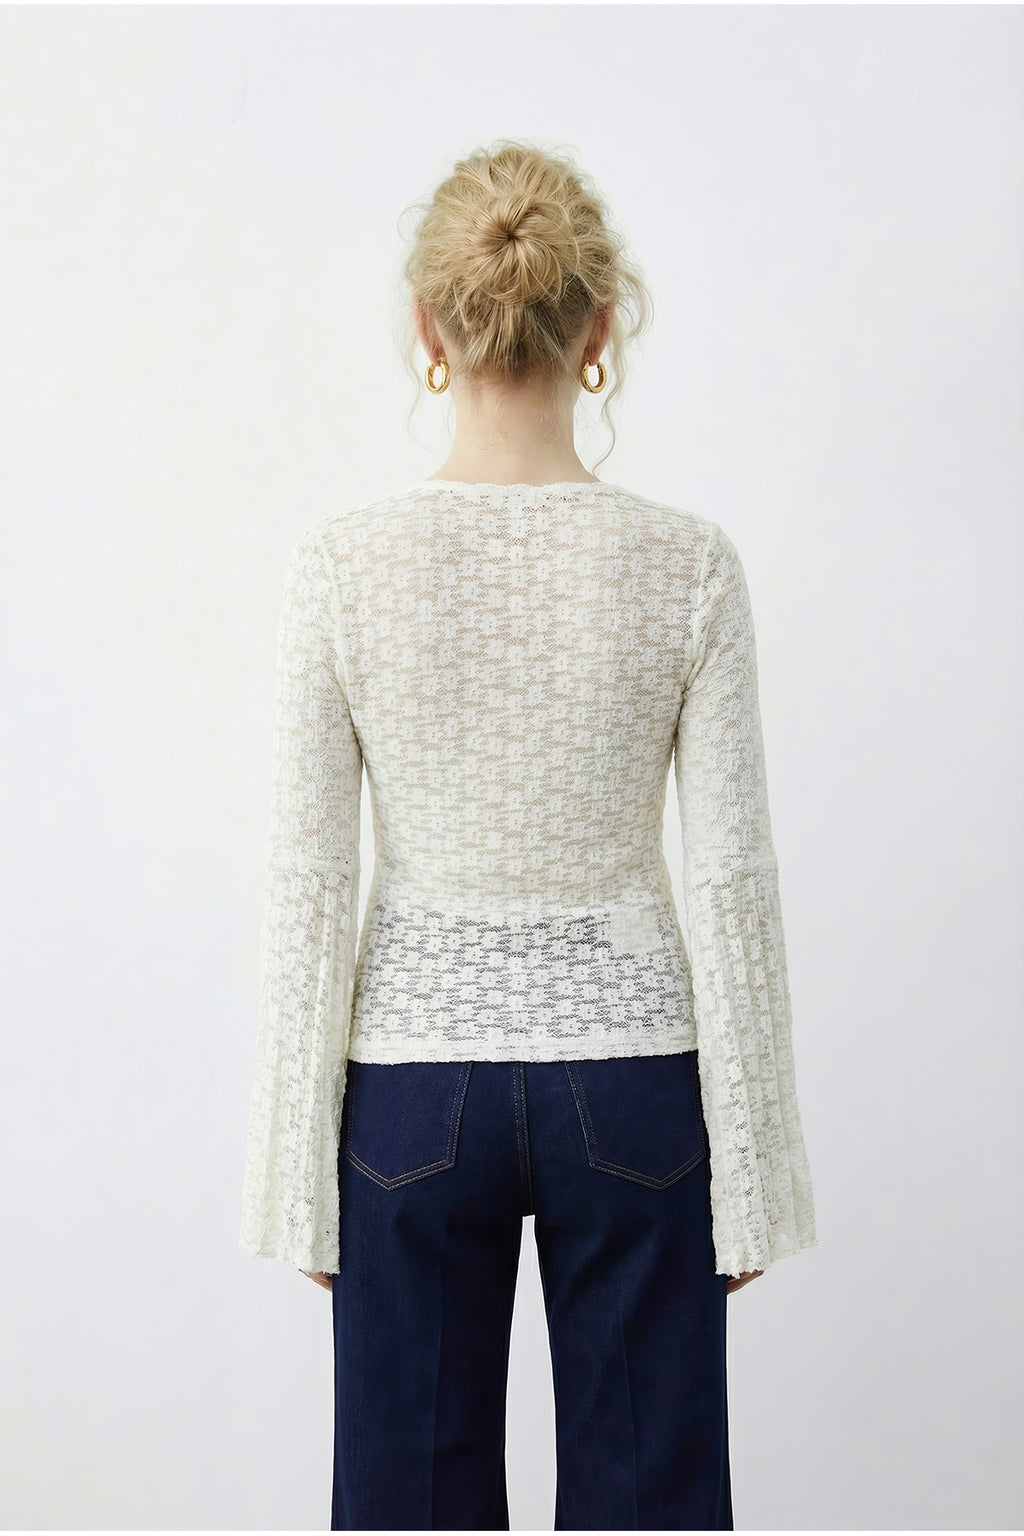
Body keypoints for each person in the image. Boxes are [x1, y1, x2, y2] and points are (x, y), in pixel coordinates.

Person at [238, 137, 818, 1532]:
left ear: (429, 330)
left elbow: (309, 883)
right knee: (649, 1504)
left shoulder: (342, 566)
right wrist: (751, 1176)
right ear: (599, 328)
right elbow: (731, 882)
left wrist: (293, 1182)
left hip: (408, 1098)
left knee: (408, 1505)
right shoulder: (688, 566)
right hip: (635, 1090)